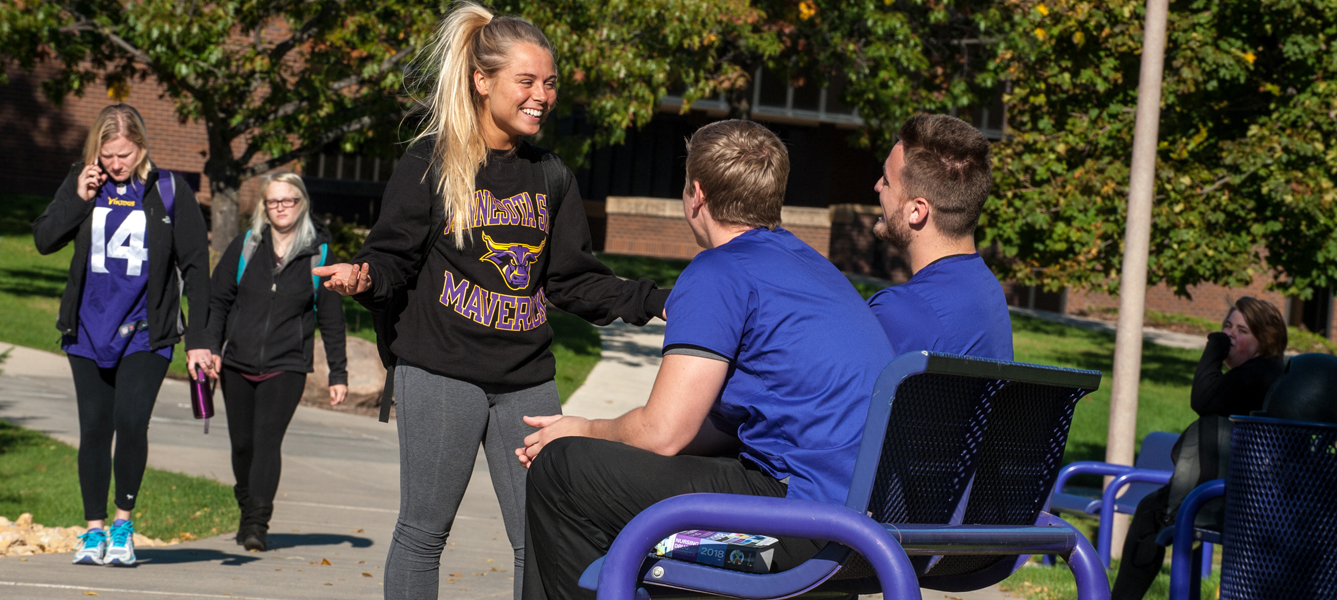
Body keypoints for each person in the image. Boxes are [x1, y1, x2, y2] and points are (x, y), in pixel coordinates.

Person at [313, 4, 668, 598]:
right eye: (526, 82)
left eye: (549, 83)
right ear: (483, 81)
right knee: (424, 534)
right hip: (442, 371)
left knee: (542, 537)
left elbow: (573, 281)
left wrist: (658, 302)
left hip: (526, 380)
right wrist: (364, 275)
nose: (541, 96)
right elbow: (394, 257)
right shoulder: (432, 159)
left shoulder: (552, 174)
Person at [516, 119, 896, 600]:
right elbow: (717, 429)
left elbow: (663, 433)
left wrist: (584, 428)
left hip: (801, 528)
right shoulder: (813, 267)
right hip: (863, 522)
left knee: (563, 469)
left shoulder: (719, 269)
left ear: (696, 194)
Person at [32, 104, 213, 566]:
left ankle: (122, 525)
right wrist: (77, 196)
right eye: (107, 154)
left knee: (131, 421)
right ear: (96, 149)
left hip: (147, 331)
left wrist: (199, 340)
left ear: (142, 145)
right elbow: (44, 239)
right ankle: (92, 531)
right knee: (94, 429)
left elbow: (196, 269)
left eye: (125, 154)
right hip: (88, 328)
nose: (115, 164)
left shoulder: (169, 191)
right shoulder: (83, 180)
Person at [205, 172, 349, 552]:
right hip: (236, 362)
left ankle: (257, 524)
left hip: (286, 365)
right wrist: (210, 347)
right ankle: (246, 507)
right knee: (242, 446)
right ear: (264, 208)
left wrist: (338, 372)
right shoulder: (246, 246)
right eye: (273, 202)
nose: (281, 207)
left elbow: (331, 316)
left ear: (302, 204)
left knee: (267, 442)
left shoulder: (318, 254)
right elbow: (218, 300)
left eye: (289, 200)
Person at [1111, 296, 1287, 599]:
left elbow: (1203, 399)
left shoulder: (1258, 375)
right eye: (1227, 326)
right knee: (1151, 509)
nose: (1230, 334)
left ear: (1265, 342)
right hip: (1255, 495)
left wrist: (1213, 348)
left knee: (1153, 513)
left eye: (1242, 331)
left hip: (1240, 501)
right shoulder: (1271, 374)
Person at [865, 114, 1012, 359]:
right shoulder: (990, 293)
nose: (877, 186)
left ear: (916, 211)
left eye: (887, 181)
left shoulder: (899, 312)